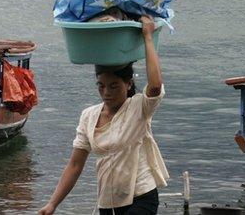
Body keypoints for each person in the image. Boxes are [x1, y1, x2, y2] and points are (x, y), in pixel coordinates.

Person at [39, 15, 167, 215]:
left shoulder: (138, 108)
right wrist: (52, 204)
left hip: (141, 195)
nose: (107, 92)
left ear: (128, 84)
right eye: (102, 86)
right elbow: (75, 165)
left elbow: (155, 85)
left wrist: (148, 37)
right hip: (108, 202)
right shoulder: (89, 116)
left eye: (114, 86)